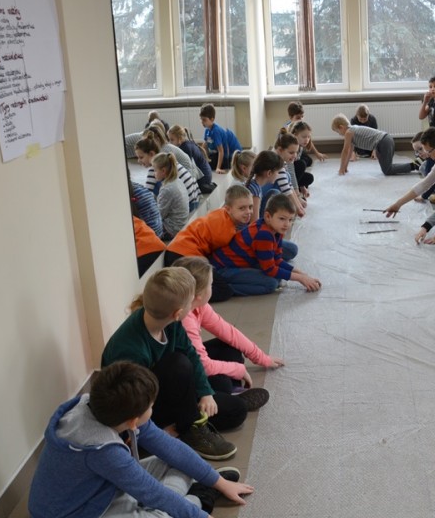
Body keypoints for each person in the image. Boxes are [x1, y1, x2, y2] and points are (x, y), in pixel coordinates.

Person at [28, 362, 253, 518]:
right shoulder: (101, 449)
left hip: (106, 489)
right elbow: (153, 493)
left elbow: (169, 447)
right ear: (133, 420)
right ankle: (200, 497)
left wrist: (219, 481)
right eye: (151, 406)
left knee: (176, 461)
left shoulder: (102, 407)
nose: (153, 409)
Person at [101, 268, 257, 461]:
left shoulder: (170, 322)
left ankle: (209, 402)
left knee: (223, 390)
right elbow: (132, 403)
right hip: (144, 406)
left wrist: (205, 393)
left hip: (168, 386)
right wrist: (157, 433)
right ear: (178, 313)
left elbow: (192, 354)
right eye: (191, 302)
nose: (193, 306)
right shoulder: (130, 350)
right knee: (234, 409)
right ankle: (189, 427)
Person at [174, 256, 284, 398]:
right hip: (180, 371)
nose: (212, 287)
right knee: (221, 383)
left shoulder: (199, 306)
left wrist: (262, 358)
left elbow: (229, 332)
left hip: (190, 359)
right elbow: (203, 366)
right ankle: (228, 395)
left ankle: (234, 391)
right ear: (199, 294)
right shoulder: (185, 319)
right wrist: (237, 369)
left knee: (230, 346)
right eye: (211, 285)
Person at [210, 194, 321, 296]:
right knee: (271, 284)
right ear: (268, 216)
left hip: (241, 262)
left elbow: (277, 260)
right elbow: (270, 269)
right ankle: (223, 288)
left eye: (290, 219)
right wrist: (300, 278)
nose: (287, 224)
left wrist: (303, 275)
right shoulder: (264, 234)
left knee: (277, 277)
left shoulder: (277, 229)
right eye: (282, 218)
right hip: (223, 269)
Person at [331, 114, 417, 177]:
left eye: (338, 132)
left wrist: (341, 168)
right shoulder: (352, 130)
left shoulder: (348, 132)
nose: (339, 134)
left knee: (387, 170)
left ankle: (415, 165)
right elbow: (349, 151)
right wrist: (345, 167)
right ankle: (411, 165)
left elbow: (345, 151)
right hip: (383, 141)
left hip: (383, 142)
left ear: (341, 127)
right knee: (386, 167)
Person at [135, 137, 200, 211]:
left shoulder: (154, 168)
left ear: (151, 154)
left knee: (153, 187)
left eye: (141, 157)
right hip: (195, 200)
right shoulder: (166, 158)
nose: (138, 161)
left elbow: (146, 195)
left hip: (187, 206)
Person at [152, 152, 192, 241]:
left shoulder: (167, 189)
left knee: (145, 226)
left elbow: (159, 215)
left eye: (155, 170)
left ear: (163, 171)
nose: (154, 174)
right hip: (181, 224)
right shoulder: (177, 180)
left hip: (172, 230)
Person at [167, 124, 214, 195]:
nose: (170, 143)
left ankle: (206, 187)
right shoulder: (187, 143)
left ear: (179, 138)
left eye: (172, 140)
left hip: (203, 178)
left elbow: (188, 169)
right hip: (207, 174)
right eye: (169, 140)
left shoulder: (185, 148)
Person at [273, 130, 307, 217]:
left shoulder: (282, 161)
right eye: (291, 152)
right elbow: (286, 189)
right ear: (280, 150)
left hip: (276, 190)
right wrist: (298, 209)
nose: (295, 155)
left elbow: (289, 184)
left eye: (296, 152)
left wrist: (298, 203)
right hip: (268, 195)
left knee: (287, 176)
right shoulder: (277, 163)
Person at [200, 103, 242, 173]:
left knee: (210, 166)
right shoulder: (207, 130)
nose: (202, 122)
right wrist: (201, 156)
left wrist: (218, 168)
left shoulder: (216, 131)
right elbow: (205, 144)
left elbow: (221, 151)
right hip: (218, 152)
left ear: (212, 119)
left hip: (229, 155)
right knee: (206, 163)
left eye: (204, 120)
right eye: (201, 119)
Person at [287, 120, 317, 196]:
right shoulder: (290, 148)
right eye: (304, 137)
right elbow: (291, 171)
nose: (307, 140)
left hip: (291, 174)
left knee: (309, 178)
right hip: (284, 176)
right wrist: (297, 193)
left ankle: (297, 187)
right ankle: (292, 190)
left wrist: (303, 187)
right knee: (301, 164)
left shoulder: (300, 147)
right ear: (295, 135)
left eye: (308, 137)